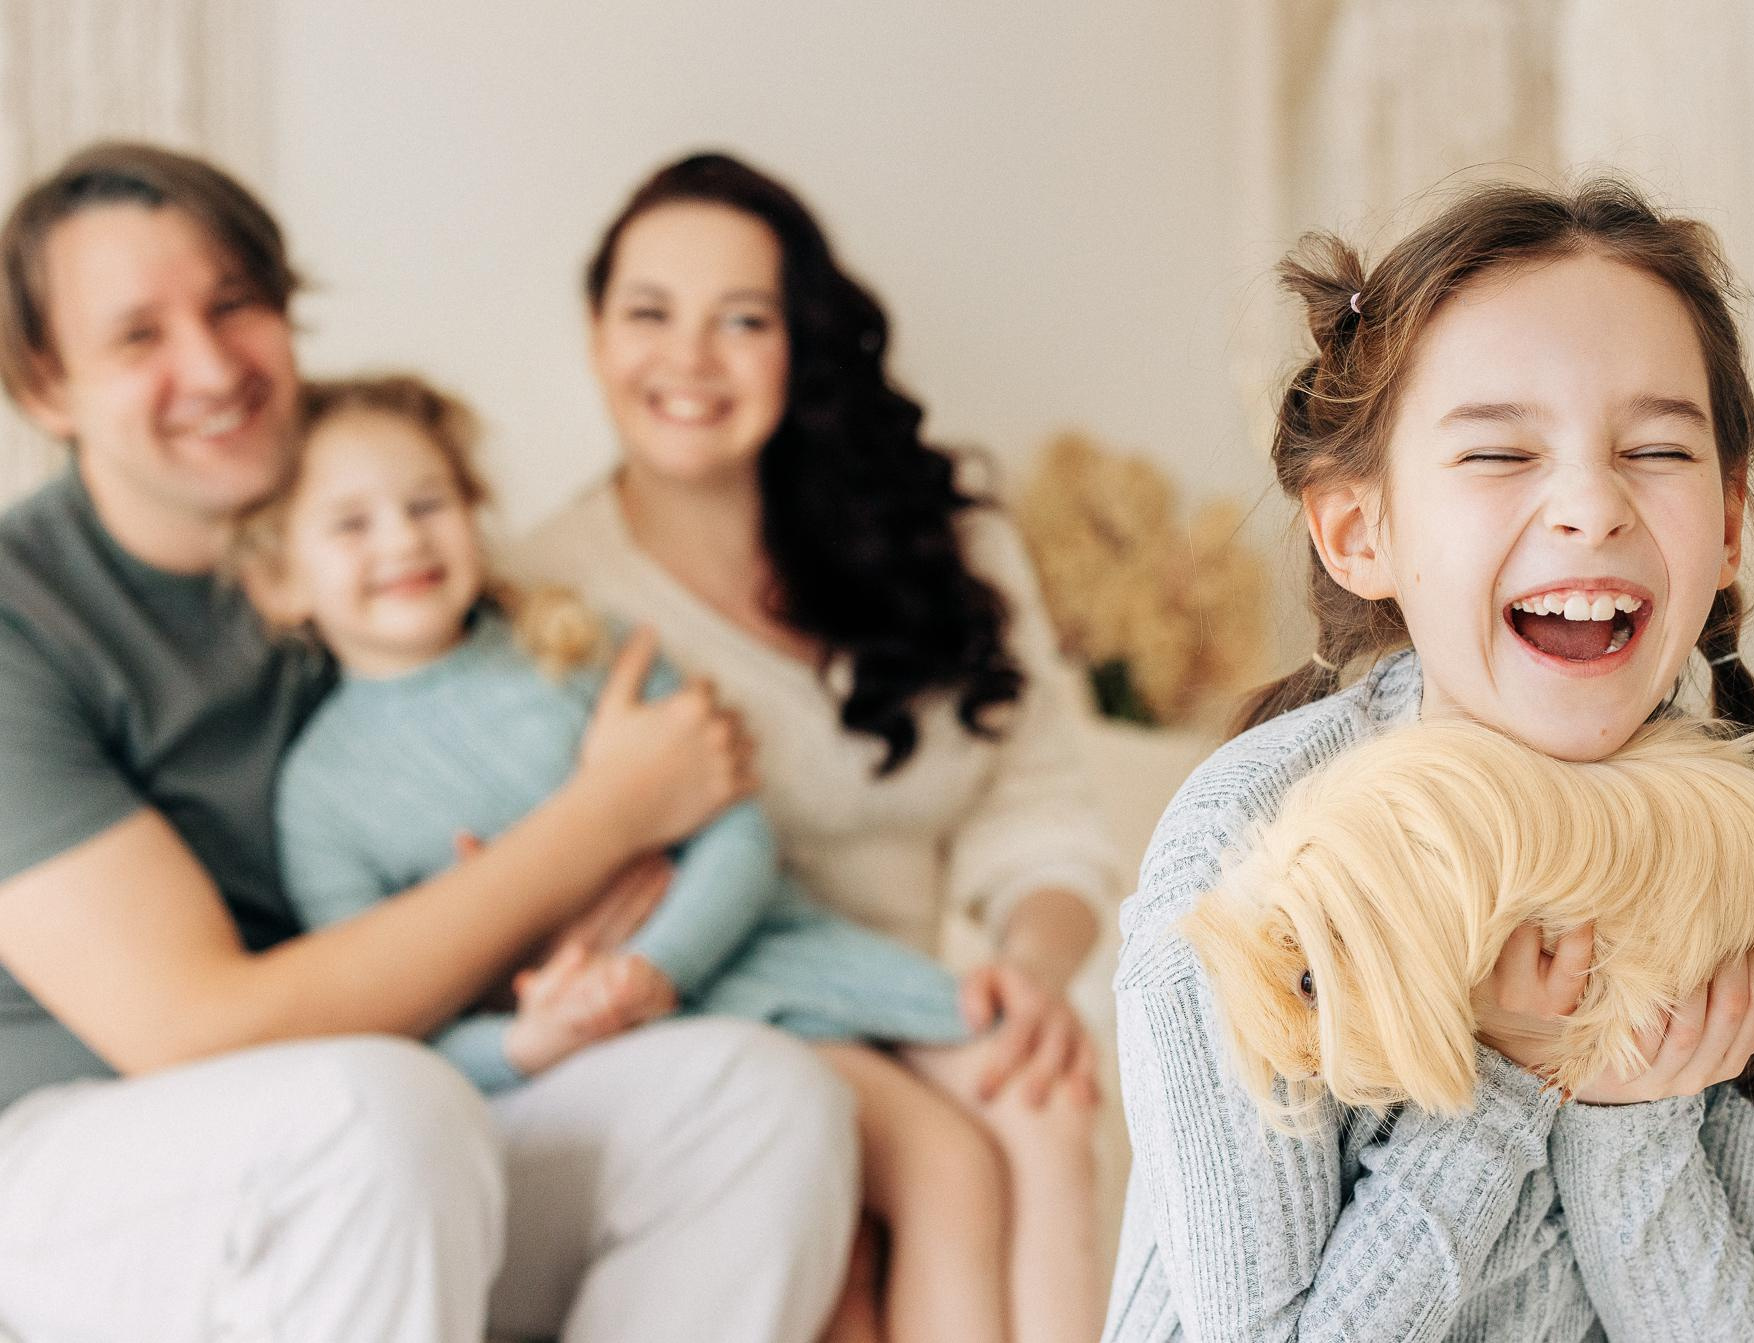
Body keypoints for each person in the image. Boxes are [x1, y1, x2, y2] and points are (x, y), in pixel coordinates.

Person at [0, 141, 857, 1343]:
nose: (211, 364)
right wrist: (606, 816)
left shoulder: (363, 541)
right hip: (81, 1163)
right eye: (139, 335)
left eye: (235, 304)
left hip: (381, 1111)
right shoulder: (21, 620)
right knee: (381, 1115)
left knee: (755, 1098)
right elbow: (195, 1029)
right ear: (45, 387)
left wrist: (575, 934)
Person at [1104, 179, 1754, 1341]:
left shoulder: (1753, 857)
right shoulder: (1250, 855)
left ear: (1728, 520)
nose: (1590, 504)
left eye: (1654, 448)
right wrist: (1508, 1078)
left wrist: (1618, 1109)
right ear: (1359, 530)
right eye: (1498, 451)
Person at [244, 371, 1016, 1339]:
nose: (401, 538)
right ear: (278, 579)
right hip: (577, 1071)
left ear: (473, 512)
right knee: (860, 1245)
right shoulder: (321, 793)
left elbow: (736, 829)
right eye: (352, 523)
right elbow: (384, 1027)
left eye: (427, 502)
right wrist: (530, 1040)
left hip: (744, 962)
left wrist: (655, 967)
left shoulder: (576, 646)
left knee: (965, 1149)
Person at [511, 151, 1120, 1343]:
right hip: (722, 1003)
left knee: (1044, 1098)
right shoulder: (546, 598)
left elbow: (1041, 813)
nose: (689, 359)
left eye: (742, 319)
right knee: (883, 1205)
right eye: (649, 314)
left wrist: (1031, 972)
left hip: (911, 991)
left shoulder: (947, 543)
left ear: (800, 342)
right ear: (594, 336)